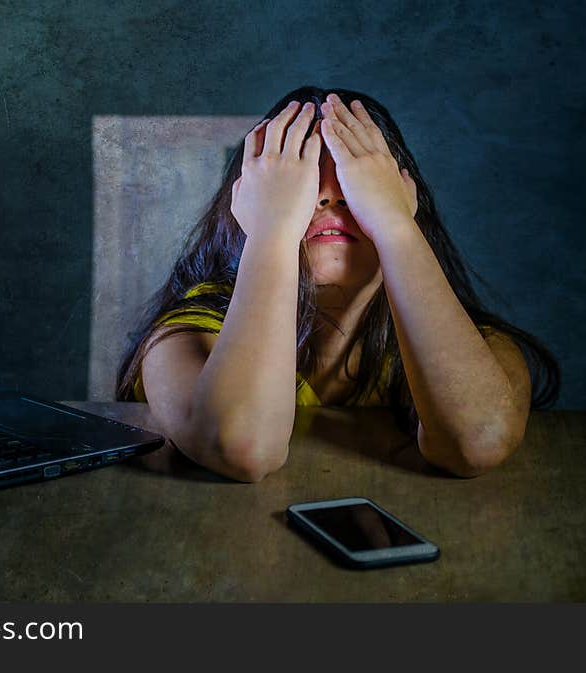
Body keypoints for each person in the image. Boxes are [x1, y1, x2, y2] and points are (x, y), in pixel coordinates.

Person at [116, 85, 560, 482]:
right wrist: (272, 231)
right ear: (247, 204)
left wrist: (394, 226)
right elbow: (242, 447)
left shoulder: (472, 346)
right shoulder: (183, 339)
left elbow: (477, 441)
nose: (331, 195)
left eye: (358, 178)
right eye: (300, 179)